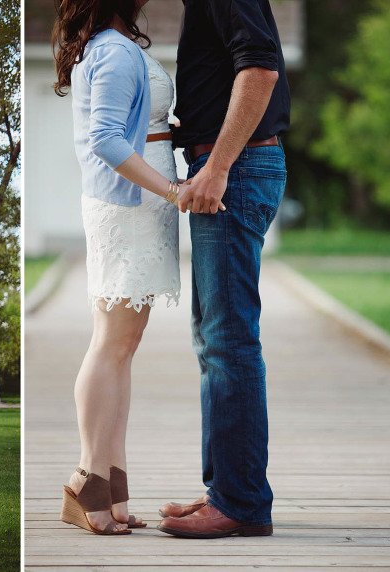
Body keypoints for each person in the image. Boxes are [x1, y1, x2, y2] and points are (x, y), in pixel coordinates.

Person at [52, 0, 224, 536]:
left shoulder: (114, 45)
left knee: (122, 347)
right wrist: (173, 190)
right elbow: (105, 139)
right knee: (111, 343)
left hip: (135, 203)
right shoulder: (114, 49)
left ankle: (113, 490)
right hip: (130, 205)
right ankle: (87, 482)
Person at [157, 0, 290, 539]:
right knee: (215, 339)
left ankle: (240, 502)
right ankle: (228, 491)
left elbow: (259, 68)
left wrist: (216, 168)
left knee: (229, 340)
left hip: (234, 170)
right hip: (231, 167)